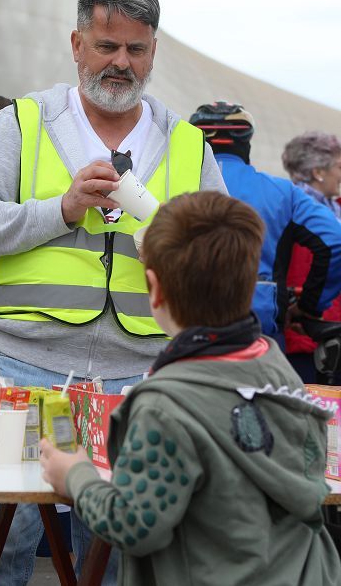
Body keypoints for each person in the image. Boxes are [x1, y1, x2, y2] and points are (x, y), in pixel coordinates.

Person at [0, 0, 227, 586]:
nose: (121, 62)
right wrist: (61, 210)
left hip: (142, 381)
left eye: (136, 49)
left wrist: (170, 246)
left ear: (153, 53)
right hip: (23, 372)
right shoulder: (23, 122)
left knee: (131, 556)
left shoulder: (186, 143)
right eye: (106, 46)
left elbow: (219, 263)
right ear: (77, 44)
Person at [40, 191, 341, 586]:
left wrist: (75, 475)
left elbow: (135, 524)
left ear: (155, 288)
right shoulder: (278, 368)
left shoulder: (164, 406)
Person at [189, 102, 341, 362]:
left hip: (182, 325)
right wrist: (309, 306)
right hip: (260, 331)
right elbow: (335, 241)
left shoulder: (170, 185)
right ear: (246, 141)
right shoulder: (282, 192)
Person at [282, 131, 341, 378]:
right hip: (306, 334)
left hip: (327, 332)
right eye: (338, 166)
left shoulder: (331, 208)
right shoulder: (293, 208)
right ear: (318, 172)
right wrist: (308, 309)